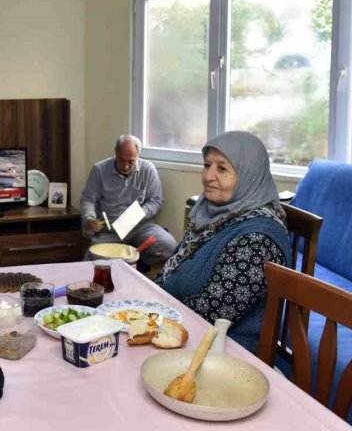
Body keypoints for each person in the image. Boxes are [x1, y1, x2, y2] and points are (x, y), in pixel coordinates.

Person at [156, 131, 290, 354]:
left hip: (228, 352)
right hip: (183, 330)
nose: (208, 176)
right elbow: (170, 272)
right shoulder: (214, 215)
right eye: (207, 165)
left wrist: (154, 314)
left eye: (222, 168)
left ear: (249, 175)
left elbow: (212, 313)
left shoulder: (258, 240)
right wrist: (149, 299)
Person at [80, 134, 176, 273]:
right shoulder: (99, 170)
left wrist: (138, 214)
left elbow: (156, 201)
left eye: (131, 161)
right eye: (121, 160)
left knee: (169, 246)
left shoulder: (148, 169)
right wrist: (89, 218)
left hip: (141, 228)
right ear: (115, 152)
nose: (125, 166)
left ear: (138, 155)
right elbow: (88, 199)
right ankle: (128, 260)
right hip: (110, 231)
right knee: (95, 260)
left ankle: (139, 260)